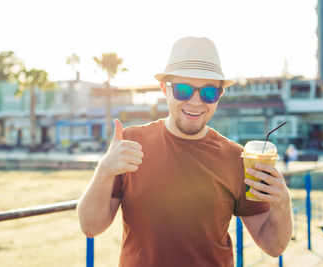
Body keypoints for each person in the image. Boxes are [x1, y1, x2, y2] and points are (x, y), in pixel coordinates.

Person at [77, 36, 293, 267]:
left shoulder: (237, 158)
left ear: (219, 95)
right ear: (164, 89)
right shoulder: (130, 142)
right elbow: (91, 227)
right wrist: (104, 171)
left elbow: (273, 246)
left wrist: (282, 203)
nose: (196, 102)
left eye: (209, 93)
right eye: (183, 90)